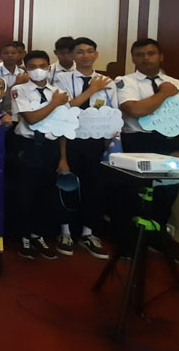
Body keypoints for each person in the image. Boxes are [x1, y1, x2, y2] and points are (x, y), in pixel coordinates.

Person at [116, 38, 179, 257]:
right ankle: (131, 243)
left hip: (170, 143)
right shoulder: (124, 82)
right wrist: (164, 94)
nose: (145, 58)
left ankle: (158, 237)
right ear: (133, 58)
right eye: (140, 55)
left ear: (161, 56)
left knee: (167, 194)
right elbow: (135, 110)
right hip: (137, 143)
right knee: (133, 195)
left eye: (151, 53)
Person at [52, 37, 115, 259]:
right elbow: (64, 108)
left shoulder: (108, 82)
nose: (85, 55)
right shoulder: (62, 79)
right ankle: (65, 232)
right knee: (67, 185)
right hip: (69, 139)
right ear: (73, 56)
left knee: (95, 187)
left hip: (97, 142)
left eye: (89, 51)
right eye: (80, 52)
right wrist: (91, 90)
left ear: (96, 54)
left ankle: (88, 233)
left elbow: (113, 114)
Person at [9, 50, 69, 261]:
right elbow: (31, 119)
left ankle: (38, 234)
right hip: (28, 145)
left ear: (48, 67)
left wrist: (63, 158)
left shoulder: (59, 92)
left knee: (45, 193)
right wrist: (54, 104)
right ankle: (24, 236)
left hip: (52, 147)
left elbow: (64, 127)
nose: (38, 70)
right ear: (25, 68)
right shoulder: (19, 90)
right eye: (32, 67)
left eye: (42, 66)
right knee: (25, 192)